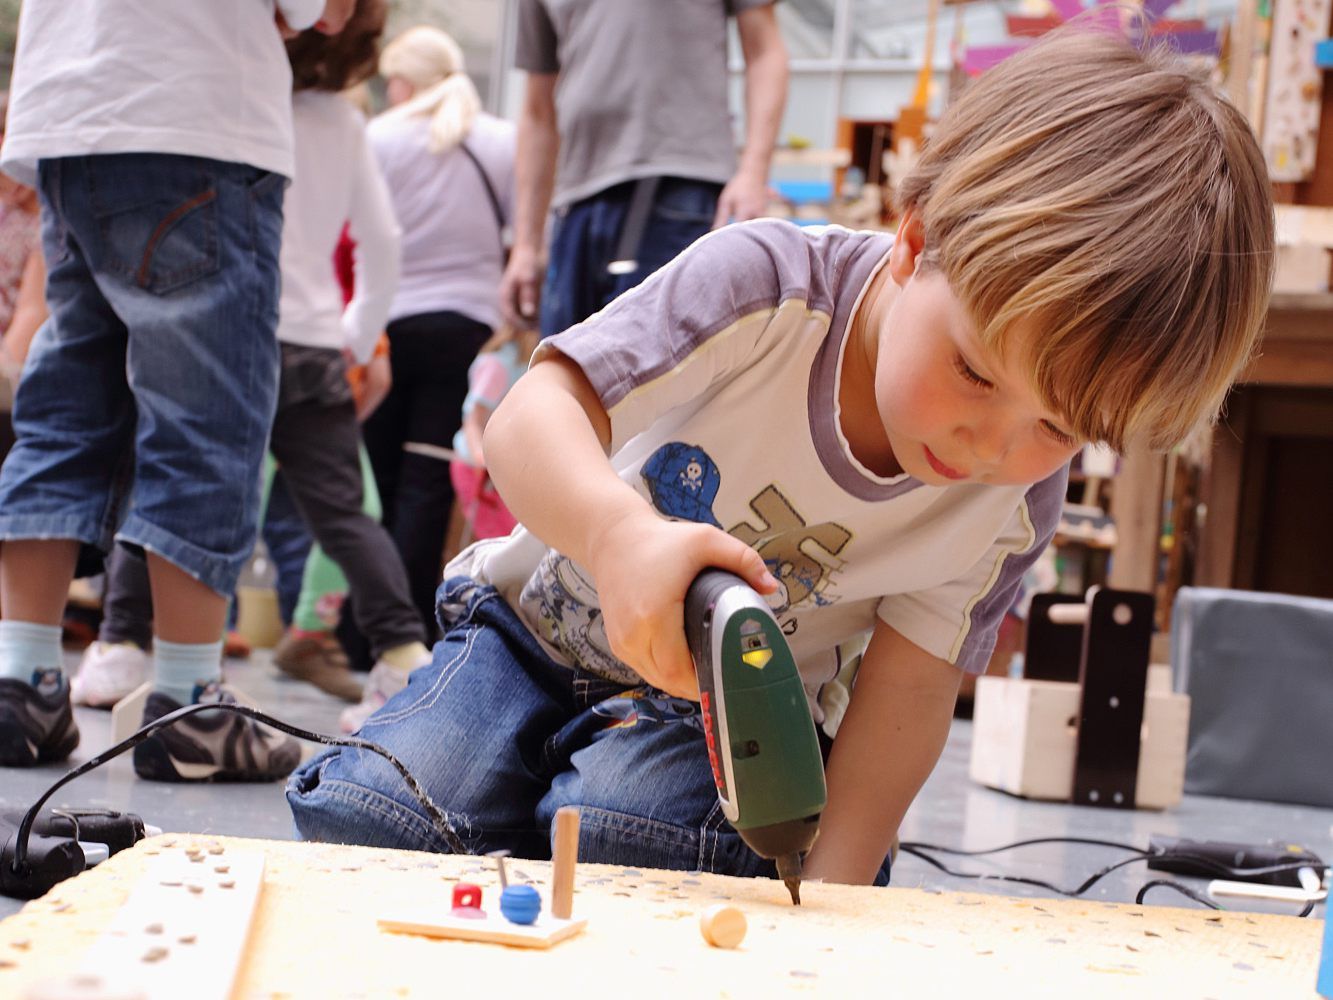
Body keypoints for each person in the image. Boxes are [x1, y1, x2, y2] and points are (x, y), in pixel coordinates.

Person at [288, 30, 1274, 884]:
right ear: (914, 241)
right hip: (529, 634)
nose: (994, 445)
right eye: (974, 371)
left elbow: (911, 691)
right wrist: (618, 534)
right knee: (372, 816)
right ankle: (511, 799)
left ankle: (534, 808)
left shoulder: (1013, 506)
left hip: (717, 722)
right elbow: (532, 413)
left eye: (1056, 427)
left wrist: (833, 897)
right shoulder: (763, 288)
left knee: (634, 830)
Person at [0, 0, 355, 778]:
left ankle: (22, 682)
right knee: (207, 418)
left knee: (63, 411)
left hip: (62, 121)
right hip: (194, 116)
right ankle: (190, 705)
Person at [355, 26, 515, 667]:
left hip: (388, 330)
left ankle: (369, 634)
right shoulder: (501, 140)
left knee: (382, 484)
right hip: (466, 332)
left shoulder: (379, 137)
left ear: (404, 82)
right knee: (429, 483)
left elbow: (359, 237)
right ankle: (410, 638)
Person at [498, 0, 789, 339]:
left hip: (676, 187)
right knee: (559, 378)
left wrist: (753, 170)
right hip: (575, 204)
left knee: (658, 379)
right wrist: (526, 246)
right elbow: (537, 111)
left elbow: (765, 51)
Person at [447, 325, 541, 550]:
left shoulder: (532, 362)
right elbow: (473, 419)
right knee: (498, 544)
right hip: (480, 471)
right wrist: (482, 459)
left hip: (506, 471)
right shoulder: (500, 362)